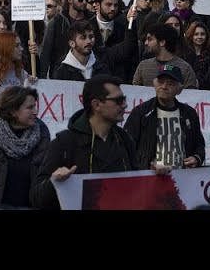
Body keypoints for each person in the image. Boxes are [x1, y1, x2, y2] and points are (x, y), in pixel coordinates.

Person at [30, 75, 138, 210]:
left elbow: (137, 186)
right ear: (96, 104)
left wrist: (156, 177)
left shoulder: (125, 140)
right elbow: (37, 197)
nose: (125, 105)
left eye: (124, 99)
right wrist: (54, 182)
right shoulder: (64, 143)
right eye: (118, 100)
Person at [124, 64, 205, 170]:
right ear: (154, 84)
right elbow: (127, 148)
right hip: (149, 179)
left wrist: (196, 158)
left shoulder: (189, 113)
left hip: (182, 179)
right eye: (160, 82)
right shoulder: (141, 113)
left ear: (179, 89)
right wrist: (146, 166)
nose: (164, 87)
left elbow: (199, 144)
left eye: (170, 84)